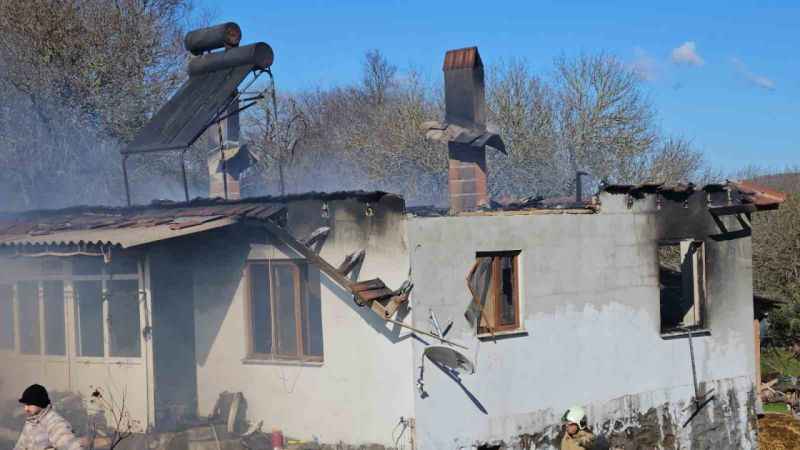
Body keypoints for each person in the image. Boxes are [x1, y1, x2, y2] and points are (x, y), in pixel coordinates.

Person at [14, 384, 85, 450]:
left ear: (39, 402)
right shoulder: (30, 421)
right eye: (25, 404)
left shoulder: (54, 422)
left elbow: (72, 447)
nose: (26, 409)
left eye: (29, 404)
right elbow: (20, 446)